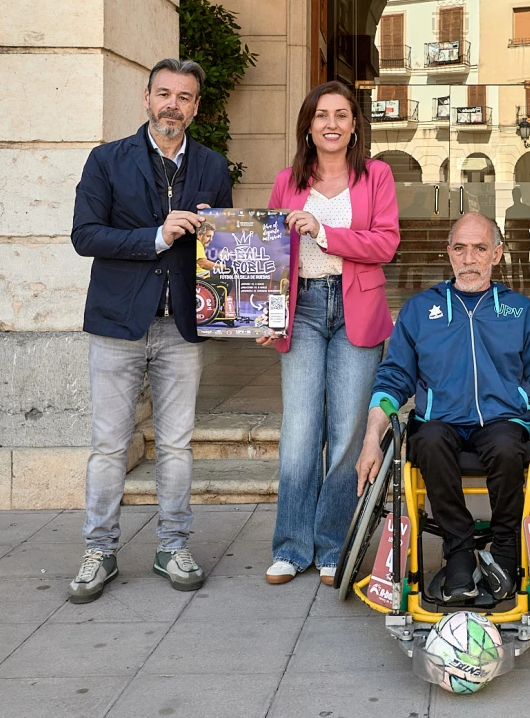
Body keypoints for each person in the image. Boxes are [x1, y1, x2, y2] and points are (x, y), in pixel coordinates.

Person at [356, 212, 530, 603]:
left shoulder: (521, 311)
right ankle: (459, 551)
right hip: (439, 422)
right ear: (448, 253)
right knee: (426, 440)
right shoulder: (418, 310)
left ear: (497, 254)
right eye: (460, 248)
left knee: (506, 445)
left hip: (501, 421)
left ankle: (504, 549)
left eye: (480, 248)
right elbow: (392, 379)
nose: (469, 258)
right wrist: (369, 440)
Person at [68, 58, 233, 604]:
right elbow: (86, 236)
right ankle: (99, 552)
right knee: (109, 446)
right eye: (164, 94)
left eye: (184, 97)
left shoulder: (212, 166)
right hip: (118, 323)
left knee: (179, 446)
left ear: (195, 107)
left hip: (182, 326)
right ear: (146, 98)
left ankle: (173, 546)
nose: (172, 105)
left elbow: (228, 251)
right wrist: (157, 236)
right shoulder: (107, 160)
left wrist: (216, 231)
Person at [259, 81, 400, 585]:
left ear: (355, 125)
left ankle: (332, 546)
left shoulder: (377, 175)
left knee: (346, 434)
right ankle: (291, 546)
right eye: (322, 115)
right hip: (303, 309)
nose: (332, 124)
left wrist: (323, 231)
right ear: (308, 125)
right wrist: (266, 314)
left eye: (342, 115)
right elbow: (272, 253)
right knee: (299, 430)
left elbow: (386, 244)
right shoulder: (286, 181)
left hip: (355, 309)